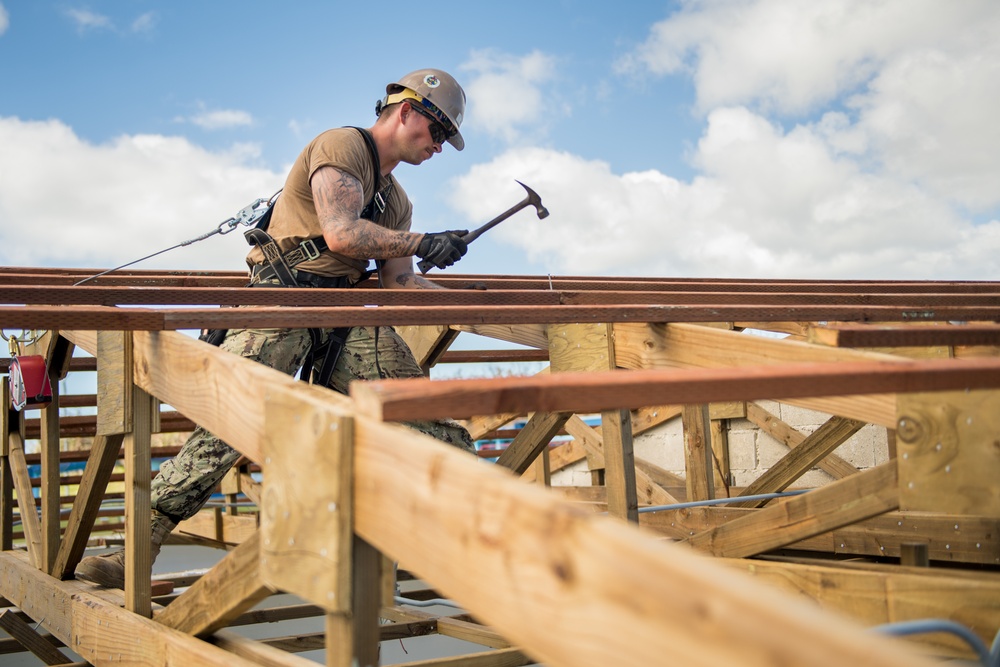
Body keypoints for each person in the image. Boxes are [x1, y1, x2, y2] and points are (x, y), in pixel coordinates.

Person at [76, 68, 477, 588]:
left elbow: (398, 286)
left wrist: (460, 292)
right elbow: (341, 234)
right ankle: (136, 548)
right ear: (406, 112)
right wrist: (424, 241)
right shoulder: (342, 147)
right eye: (439, 132)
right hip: (282, 300)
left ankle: (472, 535)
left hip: (340, 317)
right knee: (228, 425)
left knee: (422, 415)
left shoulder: (398, 202)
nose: (440, 147)